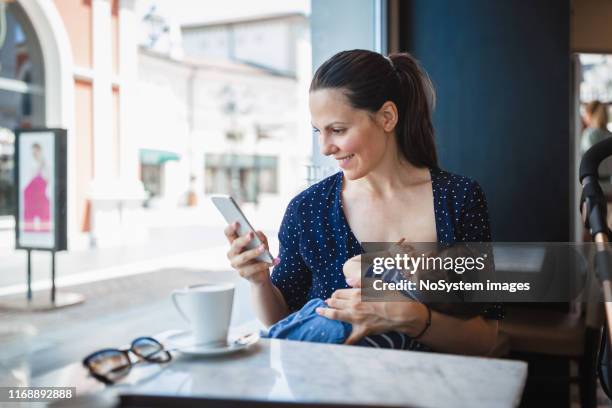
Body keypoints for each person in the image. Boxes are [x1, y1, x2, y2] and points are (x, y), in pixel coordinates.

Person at [225, 49, 503, 355]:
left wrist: (409, 317)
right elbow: (285, 325)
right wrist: (260, 281)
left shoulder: (458, 199)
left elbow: (484, 338)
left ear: (387, 117)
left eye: (338, 130)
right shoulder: (308, 209)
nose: (326, 147)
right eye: (319, 131)